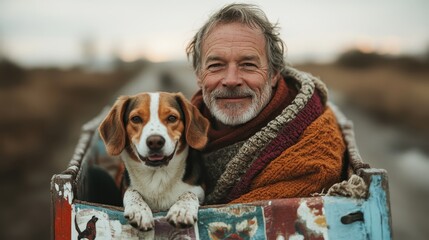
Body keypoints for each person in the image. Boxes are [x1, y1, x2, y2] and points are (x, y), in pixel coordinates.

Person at [186, 3, 349, 205]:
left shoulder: (314, 141)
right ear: (199, 76)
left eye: (248, 65)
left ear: (273, 74)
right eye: (216, 66)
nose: (231, 79)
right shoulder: (178, 131)